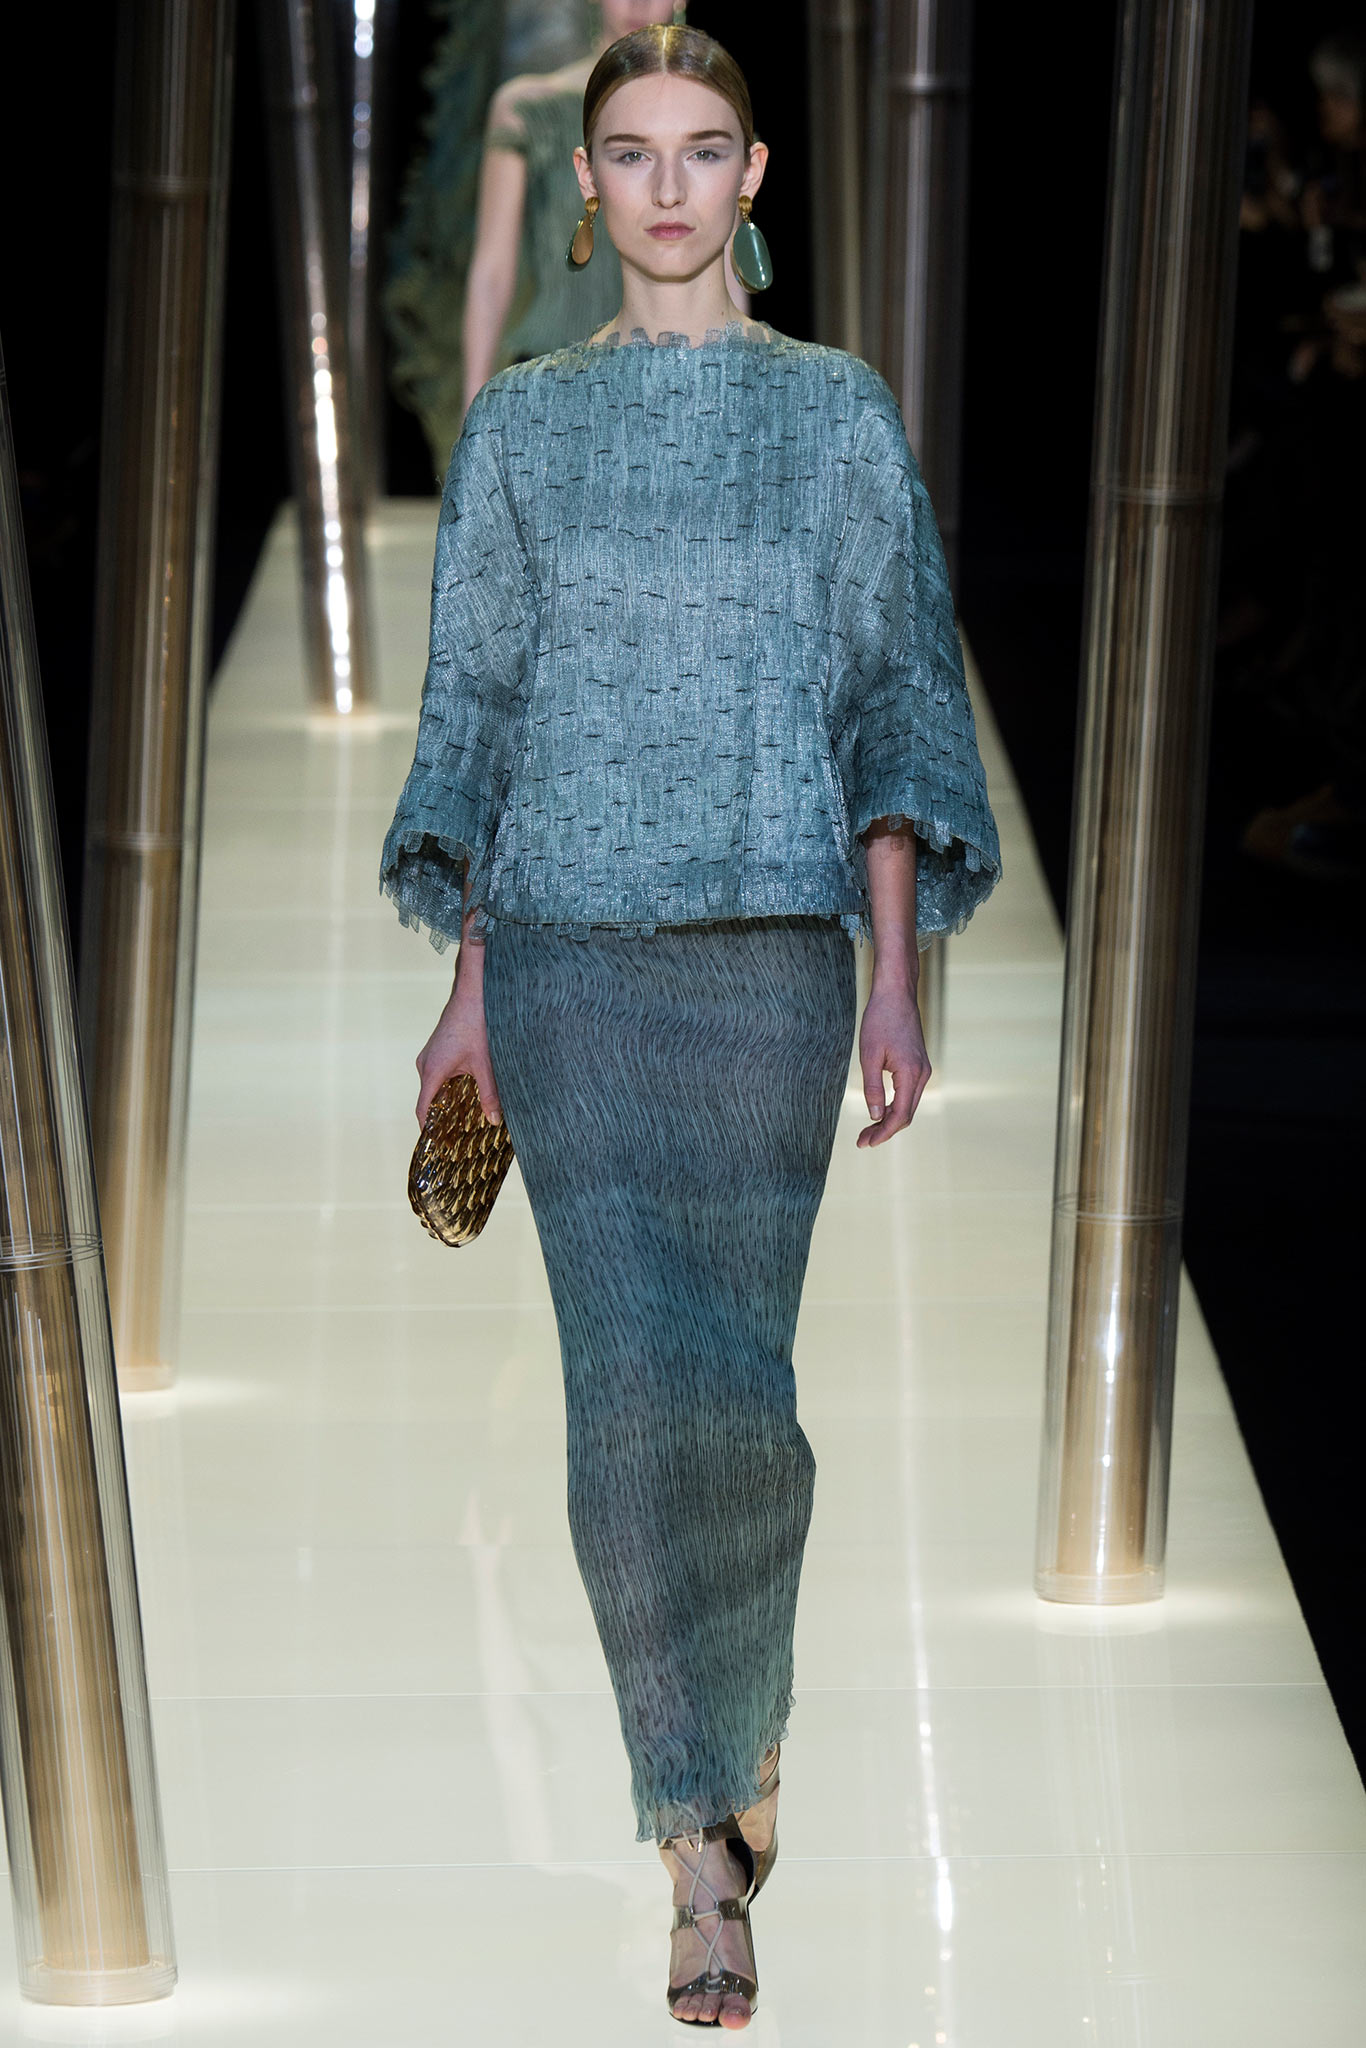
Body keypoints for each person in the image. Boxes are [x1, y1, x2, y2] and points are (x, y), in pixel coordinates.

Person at [380, 23, 1001, 2029]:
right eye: (631, 153)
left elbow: (890, 698)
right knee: (624, 1400)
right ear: (583, 186)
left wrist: (893, 972)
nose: (665, 186)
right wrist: (468, 991)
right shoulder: (523, 427)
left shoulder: (833, 416)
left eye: (702, 149)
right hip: (567, 961)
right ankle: (696, 1854)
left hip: (767, 964)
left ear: (753, 180)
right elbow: (477, 714)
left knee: (741, 1404)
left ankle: (738, 1728)